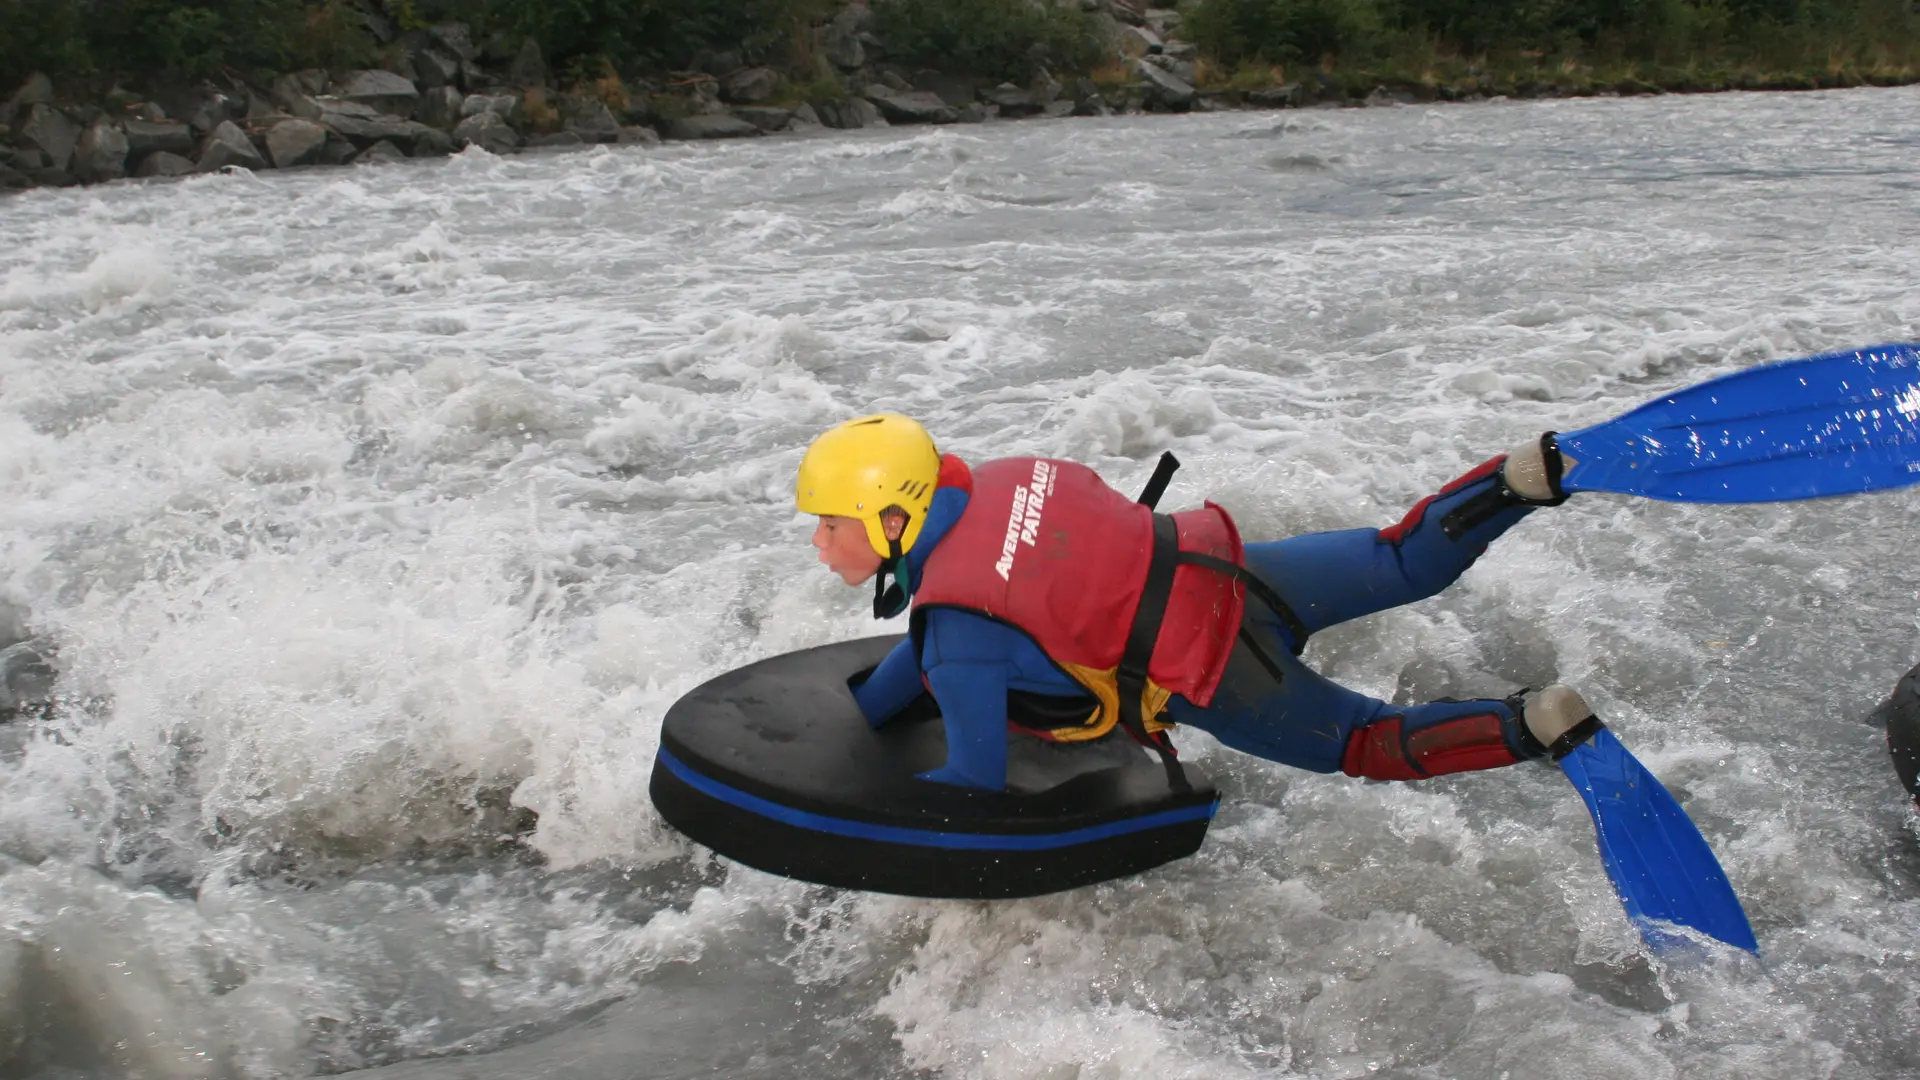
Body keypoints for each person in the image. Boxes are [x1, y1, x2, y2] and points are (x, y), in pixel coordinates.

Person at [795, 413, 1603, 793]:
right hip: (1230, 570)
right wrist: (873, 704)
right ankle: (1518, 479)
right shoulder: (1005, 476)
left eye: (831, 525)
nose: (820, 544)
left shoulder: (957, 638)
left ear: (893, 519)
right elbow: (963, 621)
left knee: (1365, 741)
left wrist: (869, 797)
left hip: (1211, 674)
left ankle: (1527, 726)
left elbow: (975, 776)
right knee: (1398, 559)